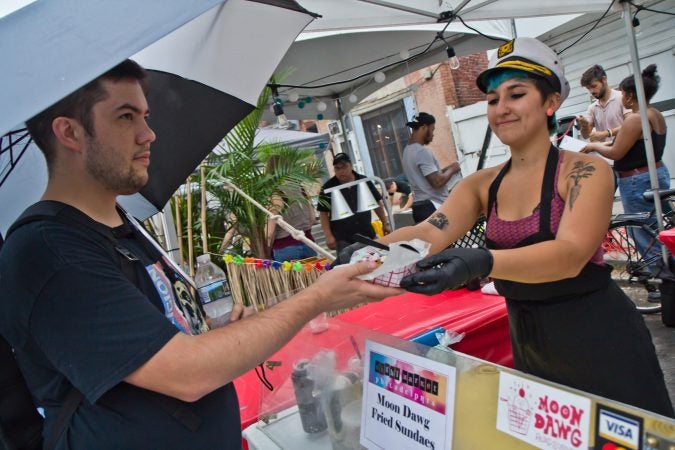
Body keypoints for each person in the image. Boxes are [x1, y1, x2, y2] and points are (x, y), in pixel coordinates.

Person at [0, 60, 403, 448]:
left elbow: (173, 341)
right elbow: (185, 372)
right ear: (69, 133)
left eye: (145, 115)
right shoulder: (50, 249)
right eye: (125, 117)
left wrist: (222, 333)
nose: (148, 134)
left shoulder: (124, 227)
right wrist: (318, 296)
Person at [341, 38, 674, 417]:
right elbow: (431, 233)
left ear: (551, 102)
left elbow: (570, 254)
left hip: (600, 338)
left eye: (516, 94)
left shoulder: (585, 171)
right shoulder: (481, 185)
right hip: (531, 342)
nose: (501, 108)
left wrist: (481, 262)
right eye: (493, 99)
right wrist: (373, 249)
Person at [581, 65, 670, 295]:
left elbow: (615, 153)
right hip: (655, 173)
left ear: (630, 95)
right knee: (660, 230)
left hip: (635, 180)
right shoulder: (655, 114)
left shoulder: (634, 120)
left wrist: (592, 145)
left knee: (643, 234)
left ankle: (664, 284)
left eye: (624, 95)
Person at [317, 152, 391, 253]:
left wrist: (385, 222)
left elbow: (377, 203)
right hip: (343, 239)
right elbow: (323, 213)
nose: (341, 171)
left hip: (367, 234)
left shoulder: (364, 180)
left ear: (351, 165)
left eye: (344, 167)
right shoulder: (327, 188)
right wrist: (328, 236)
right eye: (337, 168)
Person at [402, 112, 462, 223]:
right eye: (432, 129)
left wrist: (447, 169)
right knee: (445, 238)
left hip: (420, 208)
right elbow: (437, 182)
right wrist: (453, 169)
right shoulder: (421, 152)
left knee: (432, 240)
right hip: (432, 208)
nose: (433, 134)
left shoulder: (407, 151)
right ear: (424, 127)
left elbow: (425, 176)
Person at [265, 156, 317, 261]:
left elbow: (269, 233)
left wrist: (266, 250)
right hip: (308, 243)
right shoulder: (301, 188)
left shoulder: (275, 194)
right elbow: (312, 219)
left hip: (285, 249)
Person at [577, 64, 630, 143]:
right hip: (607, 153)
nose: (591, 91)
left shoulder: (622, 97)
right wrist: (584, 125)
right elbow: (585, 135)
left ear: (604, 79)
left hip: (627, 149)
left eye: (594, 86)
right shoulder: (592, 108)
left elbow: (631, 125)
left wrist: (606, 133)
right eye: (588, 88)